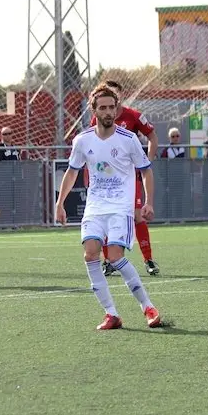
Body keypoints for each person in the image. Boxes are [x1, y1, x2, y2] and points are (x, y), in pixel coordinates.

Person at [56, 85, 162, 330]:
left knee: (114, 257)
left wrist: (148, 202)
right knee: (90, 254)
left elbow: (146, 170)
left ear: (116, 109)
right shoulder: (82, 140)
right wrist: (60, 203)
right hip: (94, 207)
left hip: (120, 208)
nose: (107, 112)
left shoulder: (129, 139)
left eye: (111, 107)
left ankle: (148, 307)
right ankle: (111, 314)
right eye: (102, 107)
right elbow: (72, 172)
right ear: (93, 110)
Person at [88, 80, 160, 277]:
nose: (109, 107)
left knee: (138, 217)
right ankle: (108, 261)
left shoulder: (133, 116)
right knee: (103, 219)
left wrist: (147, 160)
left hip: (128, 178)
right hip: (106, 180)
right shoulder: (97, 120)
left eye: (113, 98)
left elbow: (152, 136)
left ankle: (148, 259)